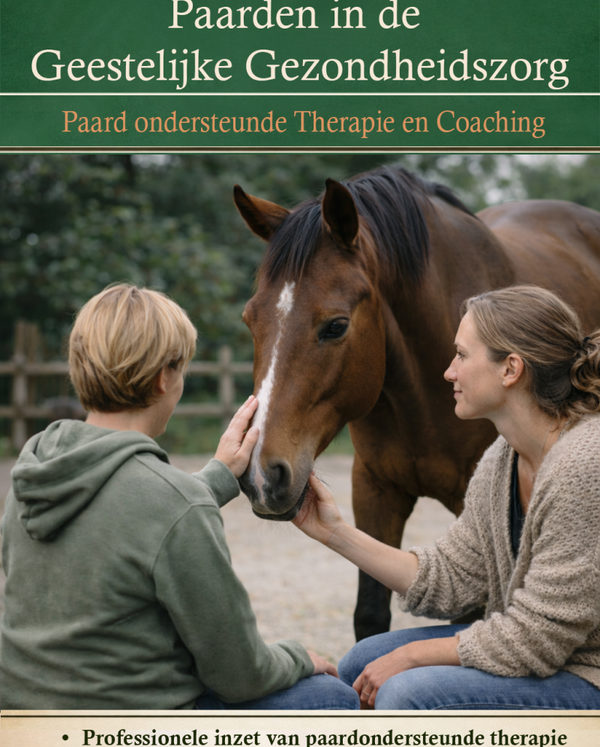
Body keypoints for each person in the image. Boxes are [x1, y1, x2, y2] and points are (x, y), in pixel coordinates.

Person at [0, 283, 358, 710]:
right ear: (163, 378)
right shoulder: (174, 505)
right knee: (330, 697)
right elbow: (241, 675)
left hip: (26, 720)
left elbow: (125, 516)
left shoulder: (35, 469)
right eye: (182, 370)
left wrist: (218, 477)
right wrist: (300, 657)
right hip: (127, 735)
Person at [293, 284, 600, 710]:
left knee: (405, 693)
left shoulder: (585, 465)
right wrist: (332, 532)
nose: (449, 373)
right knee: (364, 659)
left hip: (587, 672)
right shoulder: (503, 458)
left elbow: (537, 639)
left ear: (510, 369)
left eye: (461, 355)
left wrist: (412, 656)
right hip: (549, 654)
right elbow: (451, 578)